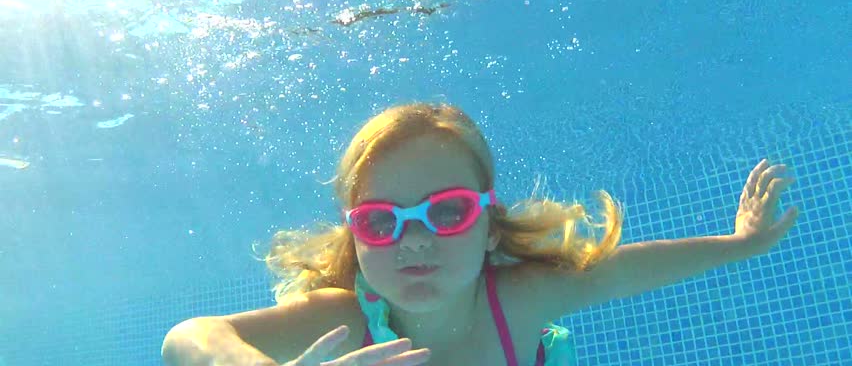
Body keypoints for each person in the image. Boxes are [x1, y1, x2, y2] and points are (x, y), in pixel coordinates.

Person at [161, 102, 799, 366]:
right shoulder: (343, 320)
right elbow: (185, 338)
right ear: (355, 241)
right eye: (381, 222)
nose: (413, 241)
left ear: (491, 229)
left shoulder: (518, 300)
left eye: (446, 213)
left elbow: (627, 270)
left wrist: (740, 243)